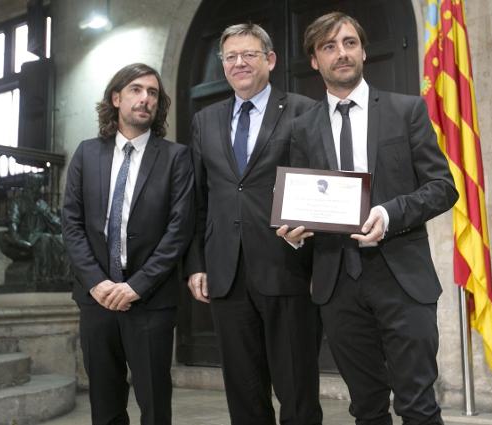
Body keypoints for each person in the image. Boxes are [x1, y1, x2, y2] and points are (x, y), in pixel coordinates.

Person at [277, 12, 458, 425]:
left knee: (418, 406)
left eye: (349, 43)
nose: (341, 53)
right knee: (366, 408)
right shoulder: (302, 128)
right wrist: (294, 234)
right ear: (314, 60)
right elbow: (301, 204)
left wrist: (389, 213)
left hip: (402, 278)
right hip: (337, 284)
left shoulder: (405, 110)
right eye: (329, 46)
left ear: (362, 50)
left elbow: (443, 187)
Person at [185, 23, 322, 425]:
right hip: (226, 273)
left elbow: (321, 183)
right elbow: (198, 198)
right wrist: (196, 263)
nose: (239, 63)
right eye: (231, 57)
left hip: (288, 267)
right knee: (243, 393)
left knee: (297, 390)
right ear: (223, 65)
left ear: (270, 60)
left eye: (249, 54)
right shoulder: (204, 120)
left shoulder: (303, 110)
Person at [62, 63, 195, 425]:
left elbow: (178, 231)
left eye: (153, 93)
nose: (145, 99)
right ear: (116, 98)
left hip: (151, 300)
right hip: (97, 299)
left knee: (154, 404)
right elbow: (71, 224)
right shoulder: (87, 153)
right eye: (136, 90)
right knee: (104, 403)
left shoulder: (176, 157)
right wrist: (97, 282)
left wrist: (136, 286)